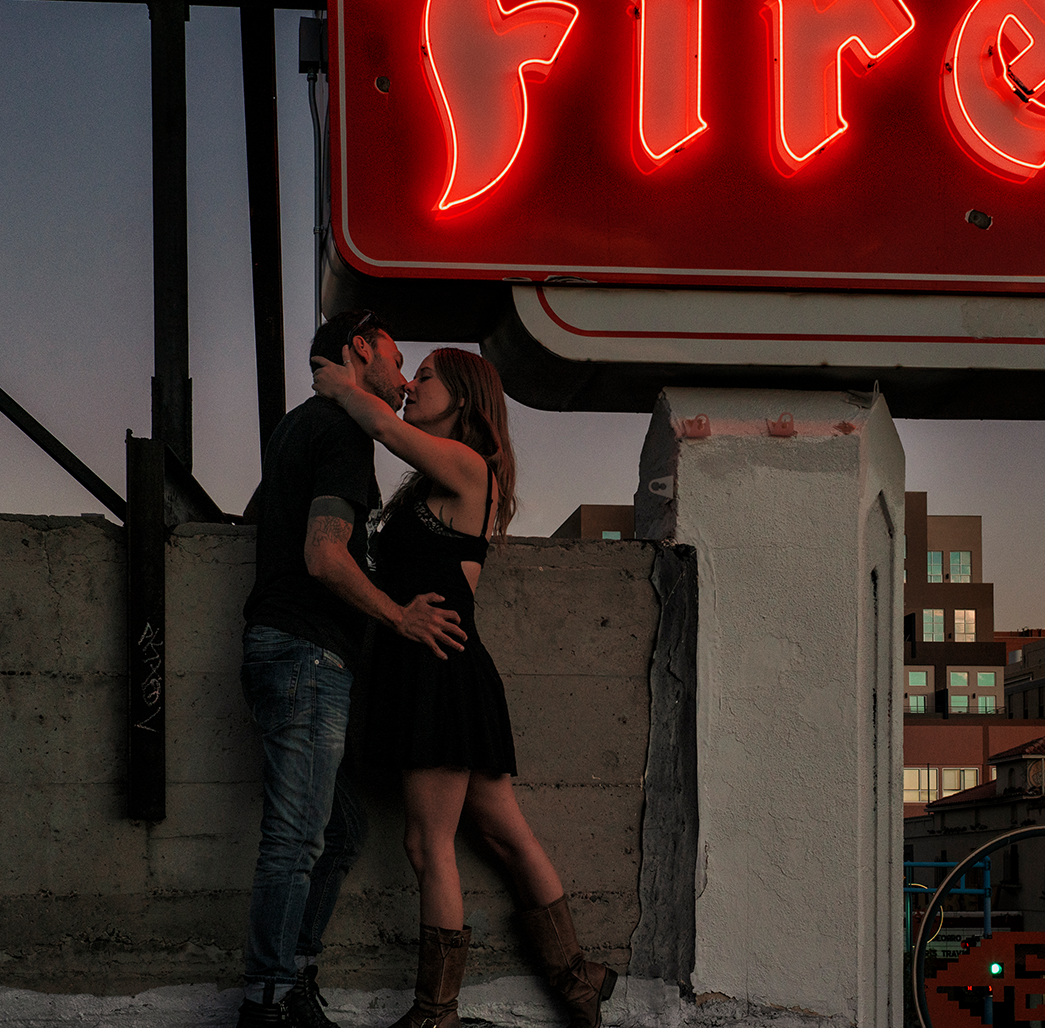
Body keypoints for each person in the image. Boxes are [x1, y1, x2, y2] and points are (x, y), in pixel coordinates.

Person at [310, 346, 617, 1028]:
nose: (411, 386)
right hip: (434, 665)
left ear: (464, 400)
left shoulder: (467, 466)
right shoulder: (426, 483)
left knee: (428, 845)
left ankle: (435, 1013)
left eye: (424, 378)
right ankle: (577, 977)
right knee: (506, 836)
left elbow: (385, 429)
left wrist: (342, 383)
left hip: (438, 669)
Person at [238, 310, 467, 1028]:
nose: (402, 381)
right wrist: (399, 615)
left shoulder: (300, 425)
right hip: (305, 654)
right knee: (298, 837)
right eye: (397, 361)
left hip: (299, 652)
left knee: (339, 830)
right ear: (358, 349)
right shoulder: (338, 432)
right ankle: (268, 1002)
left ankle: (294, 979)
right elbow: (323, 555)